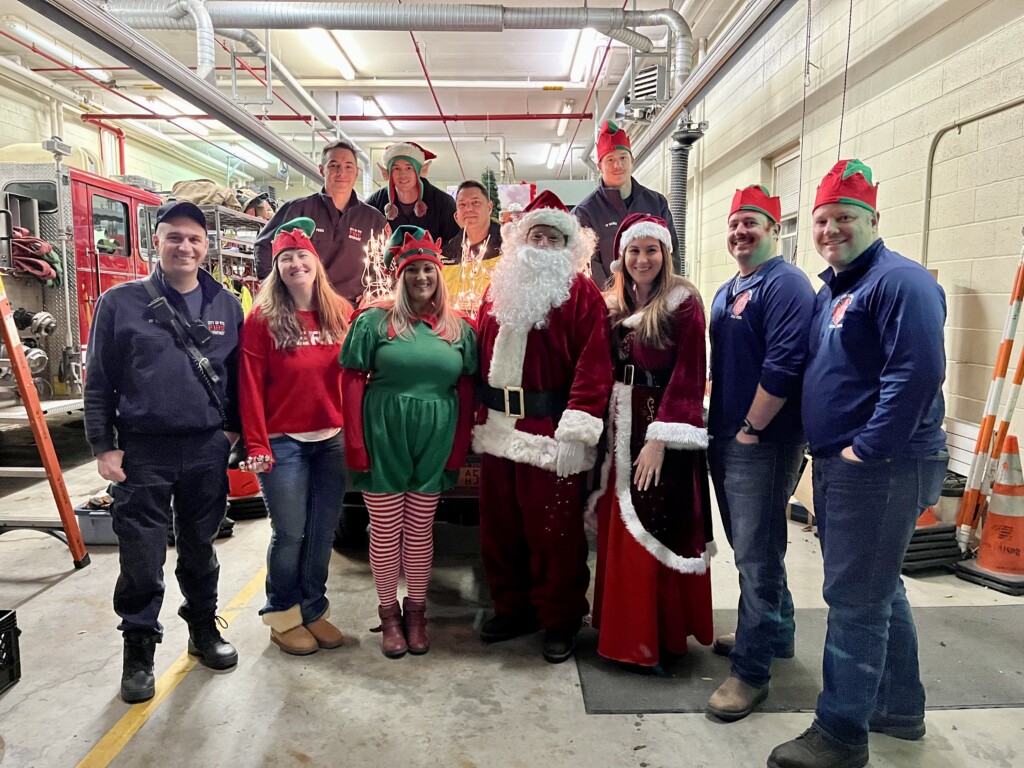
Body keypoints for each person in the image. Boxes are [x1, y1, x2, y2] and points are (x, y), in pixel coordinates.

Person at [767, 160, 948, 768]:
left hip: (883, 466)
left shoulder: (902, 283)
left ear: (874, 219)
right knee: (878, 588)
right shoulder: (836, 290)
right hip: (852, 464)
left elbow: (917, 373)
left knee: (854, 599)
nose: (830, 229)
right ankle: (898, 707)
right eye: (822, 219)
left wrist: (866, 447)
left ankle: (840, 733)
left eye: (845, 217)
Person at [84, 200, 243, 704]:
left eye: (195, 239)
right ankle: (139, 652)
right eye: (175, 237)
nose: (185, 247)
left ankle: (202, 631)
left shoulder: (225, 304)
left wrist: (234, 432)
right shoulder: (119, 302)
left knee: (200, 547)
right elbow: (99, 381)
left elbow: (238, 376)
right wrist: (103, 447)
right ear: (157, 241)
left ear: (206, 246)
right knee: (141, 556)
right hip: (142, 451)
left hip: (205, 448)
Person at [473, 190, 612, 663]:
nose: (543, 242)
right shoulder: (497, 288)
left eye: (553, 237)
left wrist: (576, 432)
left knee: (554, 533)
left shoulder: (581, 293)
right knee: (500, 528)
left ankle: (560, 617)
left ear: (567, 245)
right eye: (536, 234)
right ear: (519, 239)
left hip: (549, 431)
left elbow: (594, 366)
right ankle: (512, 608)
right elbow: (477, 356)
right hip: (496, 428)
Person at [339, 225, 477, 659]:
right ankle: (389, 615)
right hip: (384, 433)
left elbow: (468, 390)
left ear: (439, 275)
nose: (421, 277)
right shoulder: (373, 322)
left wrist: (458, 445)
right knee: (383, 531)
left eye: (429, 270)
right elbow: (350, 383)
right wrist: (357, 445)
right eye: (413, 270)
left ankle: (416, 613)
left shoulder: (460, 329)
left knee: (419, 530)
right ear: (400, 276)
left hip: (435, 435)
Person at [706, 185, 815, 721]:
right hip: (726, 435)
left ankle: (751, 672)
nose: (741, 232)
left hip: (762, 441)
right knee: (752, 544)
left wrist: (751, 427)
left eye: (752, 222)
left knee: (756, 555)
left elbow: (786, 362)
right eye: (734, 224)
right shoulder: (730, 288)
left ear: (774, 229)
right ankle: (778, 632)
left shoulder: (786, 283)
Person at [589, 213, 715, 670]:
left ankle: (654, 637)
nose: (642, 259)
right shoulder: (613, 304)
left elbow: (688, 374)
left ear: (666, 254)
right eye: (634, 251)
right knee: (619, 522)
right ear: (621, 256)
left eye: (652, 250)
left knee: (653, 521)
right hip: (617, 424)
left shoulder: (684, 302)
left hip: (658, 426)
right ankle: (620, 629)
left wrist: (660, 439)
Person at [239, 217, 353, 656]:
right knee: (290, 532)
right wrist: (256, 444)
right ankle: (282, 613)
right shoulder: (262, 319)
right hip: (282, 442)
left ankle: (313, 608)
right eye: (285, 258)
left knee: (322, 532)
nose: (295, 264)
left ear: (316, 263)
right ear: (276, 268)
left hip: (332, 440)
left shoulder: (341, 312)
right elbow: (248, 385)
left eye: (302, 255)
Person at [255, 139, 385, 305]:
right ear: (322, 170)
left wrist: (374, 293)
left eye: (348, 166)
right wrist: (276, 291)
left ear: (357, 172)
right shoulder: (297, 209)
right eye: (334, 165)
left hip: (352, 314)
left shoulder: (373, 220)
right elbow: (264, 246)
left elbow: (386, 265)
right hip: (305, 309)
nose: (341, 172)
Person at [574, 120, 677, 288]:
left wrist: (670, 292)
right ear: (600, 166)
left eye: (623, 158)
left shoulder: (656, 203)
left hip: (655, 300)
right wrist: (615, 301)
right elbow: (589, 264)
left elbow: (672, 251)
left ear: (632, 160)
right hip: (610, 305)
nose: (618, 165)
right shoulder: (585, 212)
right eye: (610, 159)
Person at [366, 142, 459, 244]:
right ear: (388, 173)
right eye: (396, 168)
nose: (403, 174)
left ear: (420, 171)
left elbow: (453, 244)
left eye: (409, 168)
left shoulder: (443, 203)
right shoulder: (375, 203)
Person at [441, 180, 503, 311]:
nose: (469, 209)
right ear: (456, 214)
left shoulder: (508, 252)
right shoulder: (445, 257)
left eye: (475, 203)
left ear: (489, 207)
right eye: (462, 205)